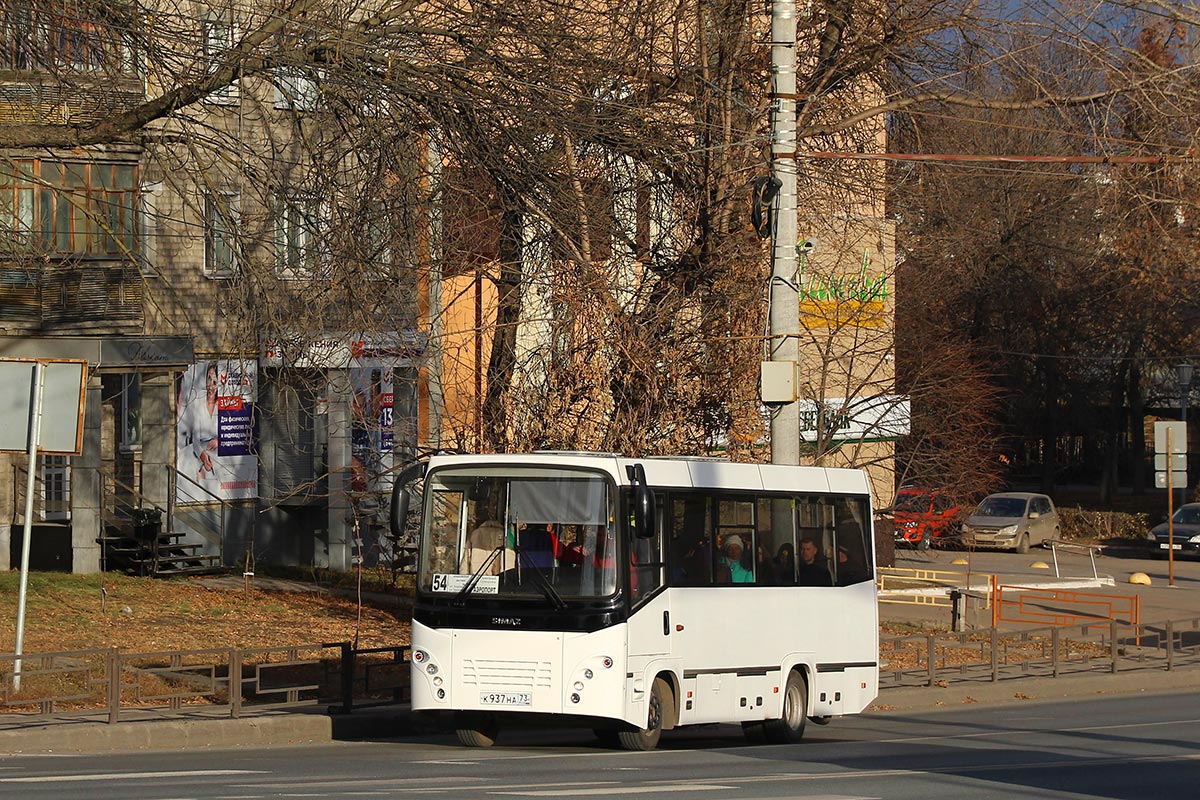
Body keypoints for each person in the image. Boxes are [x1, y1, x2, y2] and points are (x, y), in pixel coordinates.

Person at [178, 362, 220, 484]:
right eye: (209, 380)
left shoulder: (222, 405)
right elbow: (195, 440)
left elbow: (231, 432)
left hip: (218, 452)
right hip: (199, 449)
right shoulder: (199, 404)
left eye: (214, 382)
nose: (211, 386)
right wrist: (202, 454)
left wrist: (219, 440)